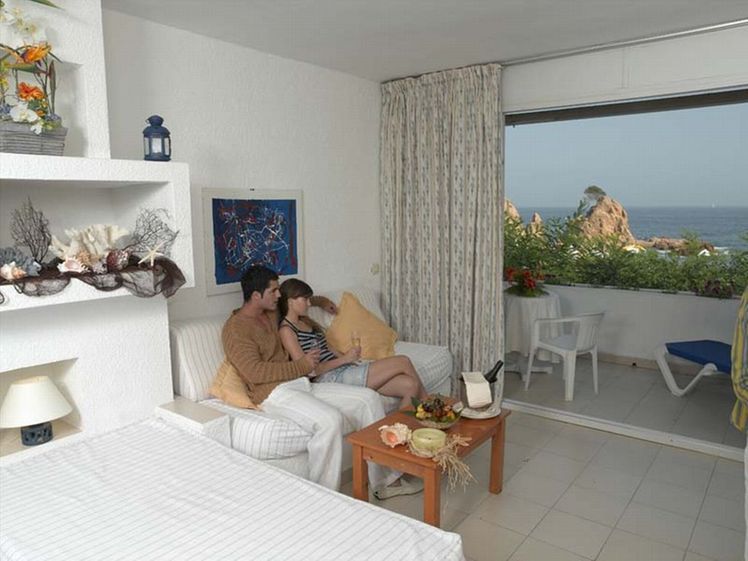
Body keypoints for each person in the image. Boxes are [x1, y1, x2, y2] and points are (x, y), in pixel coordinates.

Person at [221, 265, 419, 497]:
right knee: (330, 421)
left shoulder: (270, 311)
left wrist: (320, 301)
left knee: (368, 399)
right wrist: (302, 365)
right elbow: (254, 372)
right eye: (273, 291)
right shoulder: (235, 329)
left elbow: (296, 299)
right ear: (256, 296)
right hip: (273, 393)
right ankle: (324, 497)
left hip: (301, 383)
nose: (278, 295)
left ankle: (386, 482)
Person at [278, 278, 428, 409]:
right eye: (305, 300)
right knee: (403, 361)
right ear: (290, 301)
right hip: (328, 378)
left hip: (344, 369)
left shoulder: (306, 322)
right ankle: (429, 406)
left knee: (411, 385)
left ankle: (400, 428)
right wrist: (344, 359)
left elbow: (329, 348)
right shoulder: (287, 331)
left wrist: (350, 358)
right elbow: (308, 370)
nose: (309, 304)